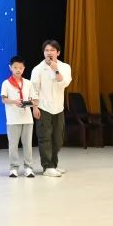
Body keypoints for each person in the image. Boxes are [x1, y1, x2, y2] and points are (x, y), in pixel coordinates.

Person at [31, 39, 72, 177]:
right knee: (45, 137)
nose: (49, 53)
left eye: (52, 50)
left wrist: (55, 69)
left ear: (58, 53)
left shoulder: (65, 67)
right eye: (46, 50)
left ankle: (54, 164)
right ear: (43, 53)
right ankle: (47, 167)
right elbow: (34, 90)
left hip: (58, 108)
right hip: (43, 107)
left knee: (58, 138)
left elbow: (64, 83)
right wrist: (35, 107)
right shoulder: (38, 69)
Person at [1, 56, 40, 178]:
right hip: (13, 120)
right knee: (13, 145)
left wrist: (34, 107)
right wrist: (14, 102)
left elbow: (35, 99)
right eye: (15, 67)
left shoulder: (28, 83)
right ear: (10, 68)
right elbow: (4, 99)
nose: (18, 70)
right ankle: (13, 168)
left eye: (20, 68)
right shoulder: (6, 83)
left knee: (27, 145)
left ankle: (28, 168)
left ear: (24, 68)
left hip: (27, 119)